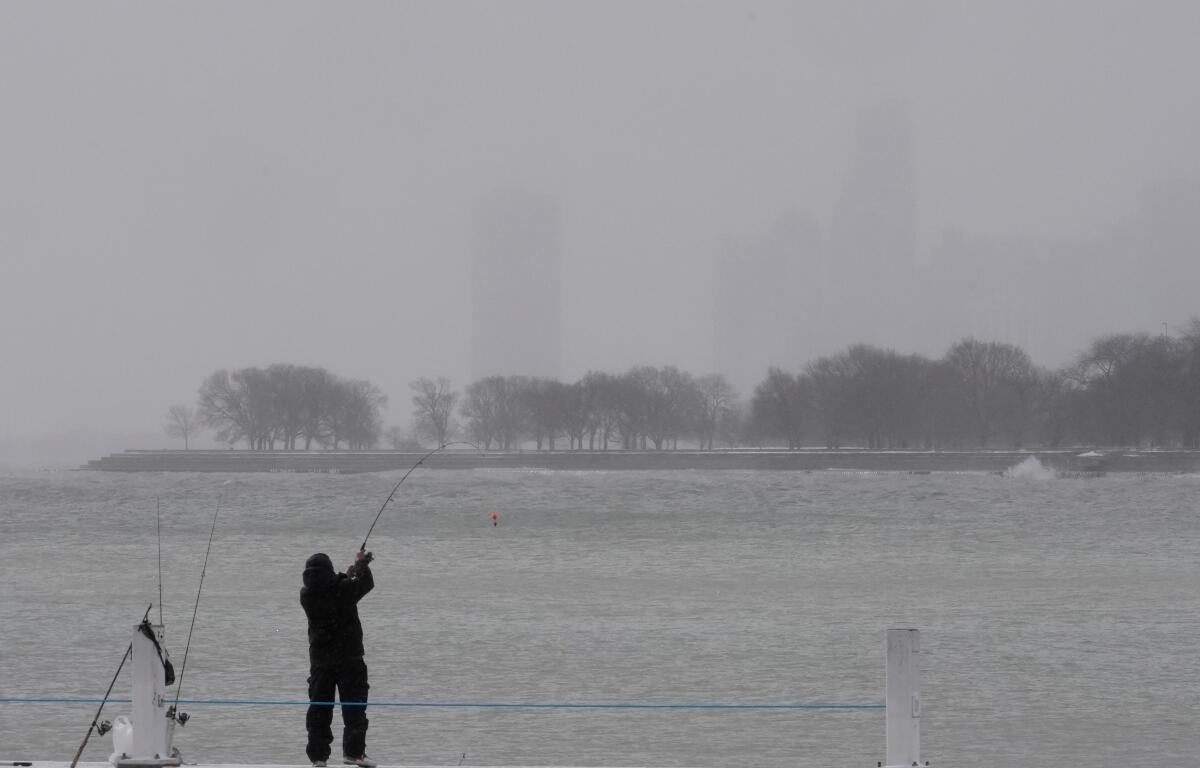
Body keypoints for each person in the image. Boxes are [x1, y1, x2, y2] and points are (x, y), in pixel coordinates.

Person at [301, 550, 376, 768]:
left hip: (320, 662)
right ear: (329, 570)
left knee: (319, 709)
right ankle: (354, 753)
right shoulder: (343, 590)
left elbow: (337, 588)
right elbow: (366, 583)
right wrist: (361, 564)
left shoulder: (306, 595)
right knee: (354, 707)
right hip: (349, 658)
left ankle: (318, 758)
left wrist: (349, 573)